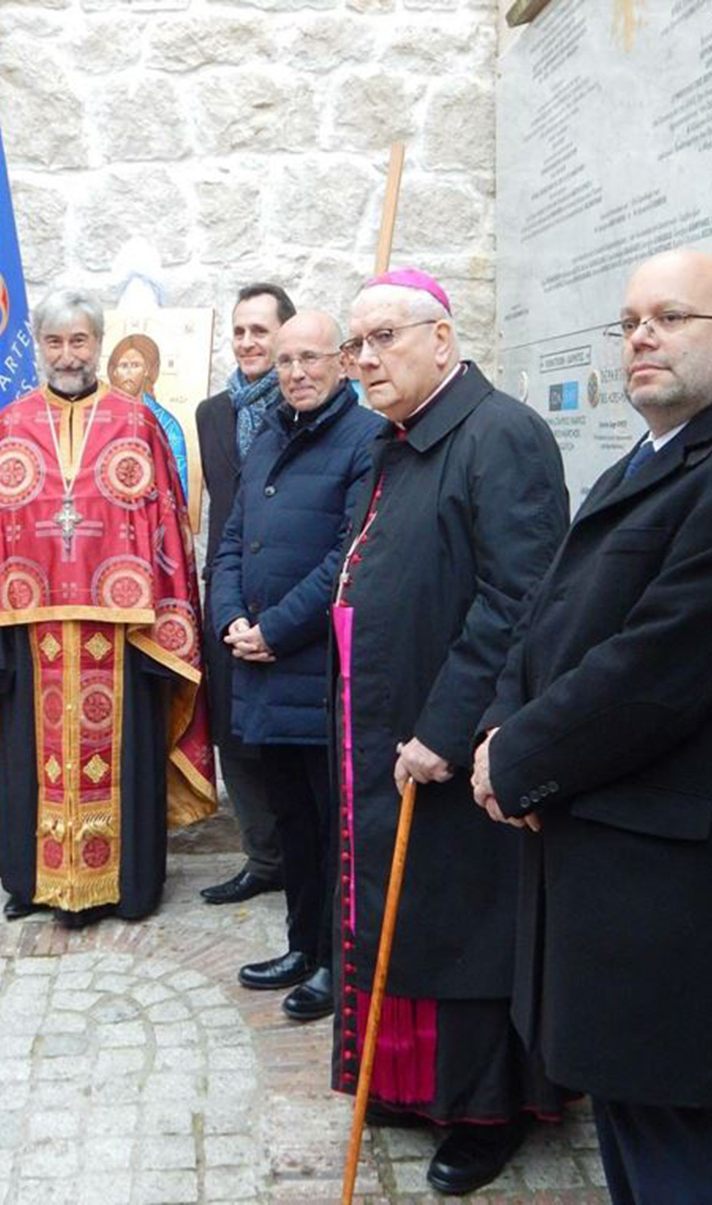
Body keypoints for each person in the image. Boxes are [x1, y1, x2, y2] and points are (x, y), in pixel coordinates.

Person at [472, 248, 712, 1205]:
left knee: (679, 1143)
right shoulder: (649, 460)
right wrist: (501, 724)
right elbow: (547, 618)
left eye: (671, 317)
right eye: (631, 320)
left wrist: (515, 759)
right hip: (609, 860)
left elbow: (656, 669)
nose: (641, 335)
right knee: (634, 1125)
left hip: (673, 886)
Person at [332, 269, 569, 1194]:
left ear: (442, 337)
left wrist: (442, 726)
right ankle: (411, 1086)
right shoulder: (400, 442)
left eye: (383, 337)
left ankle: (483, 1109)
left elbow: (520, 598)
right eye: (357, 344)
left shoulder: (501, 433)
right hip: (387, 727)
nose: (365, 359)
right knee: (410, 915)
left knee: (464, 922)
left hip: (453, 741)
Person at [0, 288, 215, 928]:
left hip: (123, 638)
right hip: (29, 637)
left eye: (80, 340)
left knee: (125, 753)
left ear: (99, 344)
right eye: (56, 341)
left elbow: (167, 530)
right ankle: (33, 881)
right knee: (28, 757)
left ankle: (127, 886)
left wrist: (169, 625)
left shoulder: (135, 421)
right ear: (40, 347)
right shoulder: (9, 426)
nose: (68, 354)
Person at [211, 309, 385, 1020]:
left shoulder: (366, 439)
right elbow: (232, 539)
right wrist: (229, 618)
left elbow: (349, 558)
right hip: (261, 669)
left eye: (311, 357)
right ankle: (301, 945)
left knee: (331, 828)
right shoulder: (271, 436)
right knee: (293, 824)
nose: (296, 372)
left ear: (343, 361)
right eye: (285, 362)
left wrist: (274, 630)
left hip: (318, 672)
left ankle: (336, 966)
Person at [196, 283, 296, 905]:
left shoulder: (307, 407)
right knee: (234, 734)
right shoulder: (213, 413)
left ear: (285, 335)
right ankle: (263, 858)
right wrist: (223, 605)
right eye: (239, 331)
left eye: (260, 330)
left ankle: (305, 857)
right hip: (227, 594)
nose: (248, 342)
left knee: (285, 737)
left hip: (289, 601)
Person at [107, 333, 189, 500]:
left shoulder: (166, 424)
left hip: (151, 515)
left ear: (147, 371)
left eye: (135, 365)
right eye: (123, 365)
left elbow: (178, 488)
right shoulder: (101, 419)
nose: (128, 372)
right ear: (114, 371)